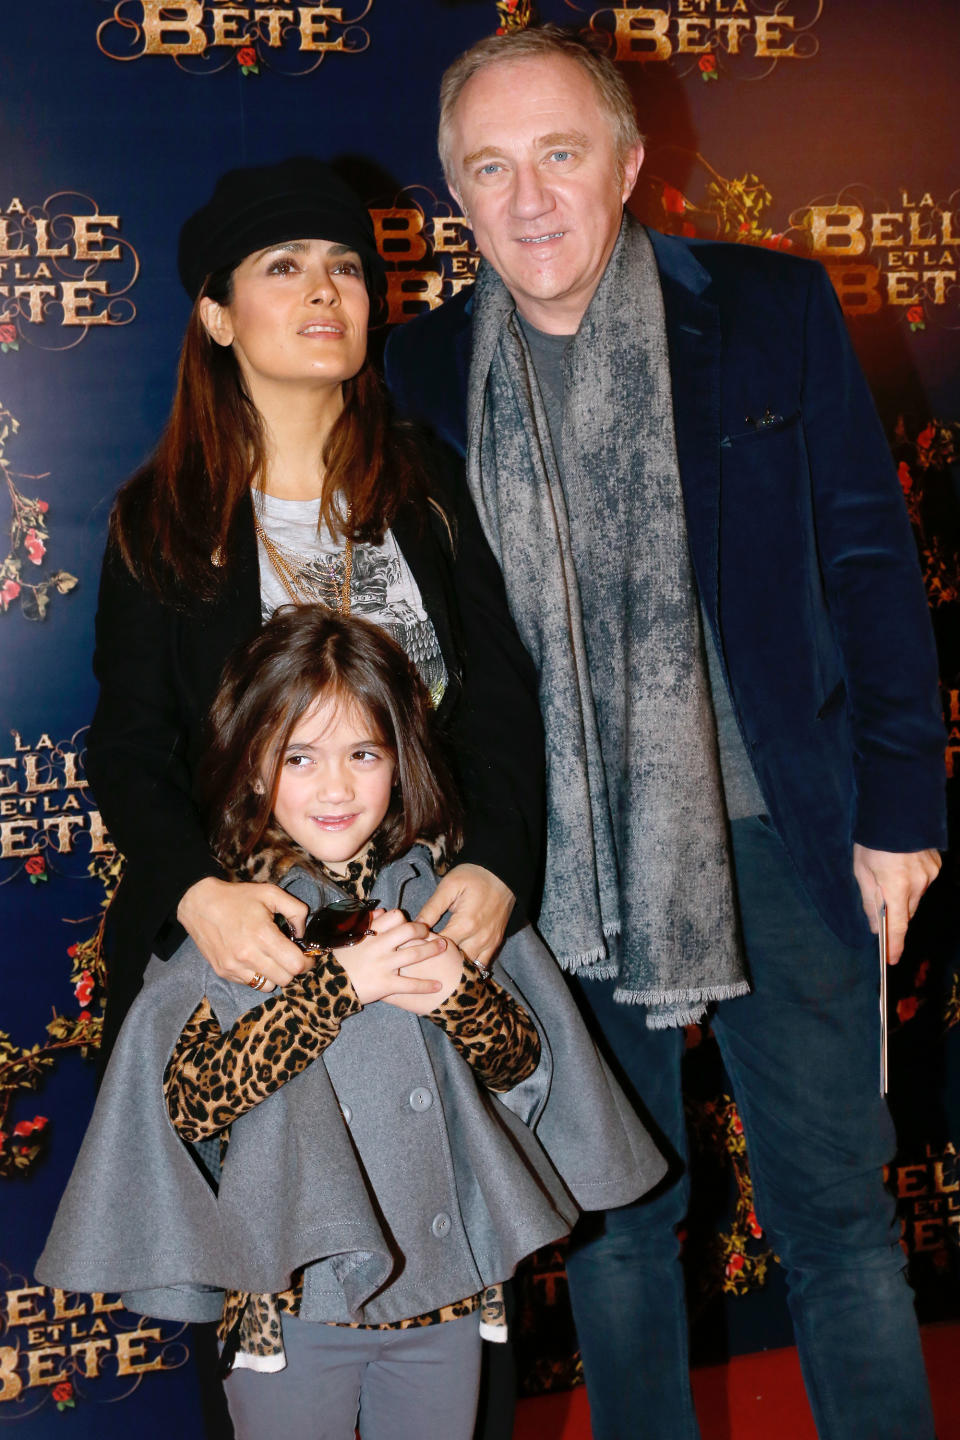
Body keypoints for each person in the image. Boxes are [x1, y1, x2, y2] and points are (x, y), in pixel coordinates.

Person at [384, 24, 947, 1440]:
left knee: (838, 1224)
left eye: (560, 155)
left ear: (631, 164)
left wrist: (902, 813)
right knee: (618, 1228)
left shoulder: (769, 309)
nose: (529, 200)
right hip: (552, 868)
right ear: (456, 196)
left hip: (782, 837)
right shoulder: (419, 374)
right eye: (489, 168)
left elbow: (872, 568)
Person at [37, 607, 665, 1440]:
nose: (335, 787)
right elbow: (193, 1100)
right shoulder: (236, 923)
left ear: (399, 763)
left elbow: (524, 1066)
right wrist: (336, 989)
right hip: (292, 1308)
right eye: (301, 757)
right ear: (257, 767)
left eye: (363, 754)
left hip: (441, 1292)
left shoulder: (440, 899)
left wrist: (459, 995)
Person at [87, 155, 544, 1062]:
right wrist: (193, 892)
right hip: (258, 951)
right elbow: (130, 745)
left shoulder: (433, 484)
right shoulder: (162, 517)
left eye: (345, 266)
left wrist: (498, 863)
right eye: (284, 266)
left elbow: (501, 698)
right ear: (218, 315)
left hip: (434, 939)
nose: (325, 290)